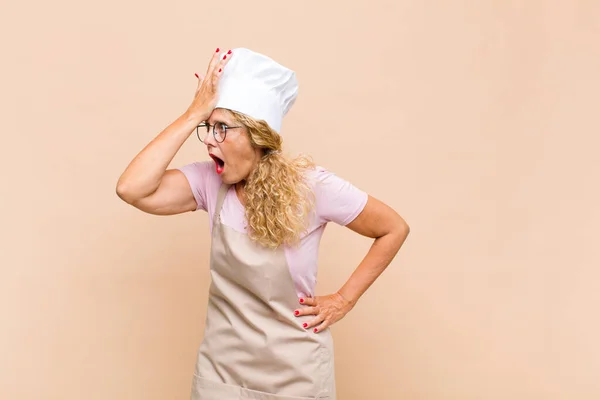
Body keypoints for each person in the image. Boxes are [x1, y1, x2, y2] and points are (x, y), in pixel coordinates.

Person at [116, 47, 410, 400]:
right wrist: (193, 113)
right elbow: (131, 188)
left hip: (296, 376)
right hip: (221, 372)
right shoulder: (210, 183)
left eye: (222, 128)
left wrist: (344, 299)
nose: (209, 139)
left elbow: (393, 228)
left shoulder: (312, 187)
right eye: (208, 128)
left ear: (257, 136)